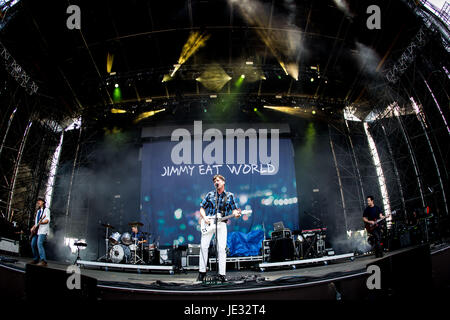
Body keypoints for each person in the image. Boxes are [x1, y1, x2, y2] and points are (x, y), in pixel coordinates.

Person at [197, 175, 241, 283]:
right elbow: (202, 207)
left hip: (221, 223)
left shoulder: (230, 196)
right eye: (214, 181)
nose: (216, 182)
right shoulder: (210, 194)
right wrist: (204, 217)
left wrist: (236, 213)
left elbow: (235, 210)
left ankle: (222, 274)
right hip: (209, 222)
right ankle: (202, 273)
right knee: (203, 247)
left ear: (223, 182)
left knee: (221, 249)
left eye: (218, 180)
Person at [30, 197, 50, 266]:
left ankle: (43, 261)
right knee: (33, 244)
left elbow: (47, 220)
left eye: (40, 201)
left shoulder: (46, 210)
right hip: (37, 231)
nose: (38, 202)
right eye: (38, 201)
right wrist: (33, 227)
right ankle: (36, 259)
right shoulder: (38, 211)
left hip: (43, 230)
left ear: (43, 202)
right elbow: (36, 222)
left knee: (39, 244)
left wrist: (41, 223)